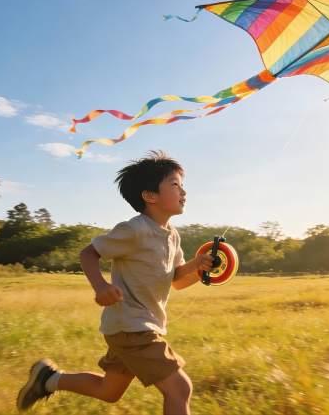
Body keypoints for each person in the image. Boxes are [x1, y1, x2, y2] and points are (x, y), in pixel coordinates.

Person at [17, 150, 213, 415]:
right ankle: (47, 379)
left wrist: (197, 266)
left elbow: (176, 278)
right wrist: (101, 286)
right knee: (180, 389)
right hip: (133, 327)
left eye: (182, 184)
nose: (184, 191)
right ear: (150, 195)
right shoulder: (134, 230)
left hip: (136, 326)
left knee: (109, 391)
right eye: (175, 184)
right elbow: (88, 253)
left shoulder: (172, 236)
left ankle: (48, 379)